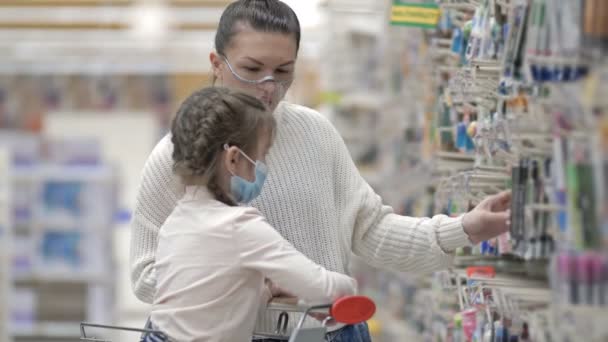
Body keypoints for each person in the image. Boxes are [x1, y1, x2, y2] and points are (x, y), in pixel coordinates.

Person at [130, 1, 512, 341]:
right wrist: (253, 285)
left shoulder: (315, 133)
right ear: (217, 63)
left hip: (331, 331)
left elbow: (370, 229)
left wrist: (463, 229)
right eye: (252, 68)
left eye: (283, 71)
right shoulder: (177, 156)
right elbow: (147, 275)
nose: (268, 86)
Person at [141, 87, 356, 342]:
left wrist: (266, 290)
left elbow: (213, 299)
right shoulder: (239, 225)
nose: (264, 165)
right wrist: (349, 288)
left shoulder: (176, 221)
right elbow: (324, 287)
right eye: (262, 155)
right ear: (233, 159)